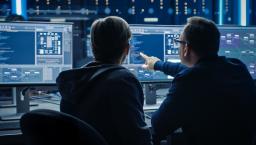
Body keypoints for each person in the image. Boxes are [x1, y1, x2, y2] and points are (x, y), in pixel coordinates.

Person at [140, 16, 256, 145]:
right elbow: (201, 72)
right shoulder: (237, 66)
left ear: (186, 48)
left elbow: (158, 126)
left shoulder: (188, 80)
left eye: (178, 41)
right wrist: (158, 64)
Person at [56, 16, 152, 145]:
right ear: (127, 49)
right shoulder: (123, 81)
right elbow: (139, 140)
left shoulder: (73, 81)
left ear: (92, 47)